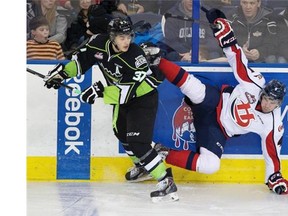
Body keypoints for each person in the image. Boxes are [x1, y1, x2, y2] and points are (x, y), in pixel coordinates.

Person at [139, 8, 288, 195]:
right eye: (266, 98)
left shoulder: (273, 123)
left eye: (272, 103)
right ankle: (157, 59)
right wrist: (226, 35)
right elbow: (237, 60)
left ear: (278, 105)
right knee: (196, 89)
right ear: (263, 93)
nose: (267, 104)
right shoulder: (255, 84)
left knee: (211, 165)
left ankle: (162, 154)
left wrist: (274, 178)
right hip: (216, 101)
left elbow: (272, 153)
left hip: (217, 130)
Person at [42, 17, 179, 202]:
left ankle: (165, 179)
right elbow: (82, 62)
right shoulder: (98, 44)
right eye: (122, 37)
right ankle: (142, 165)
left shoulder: (135, 56)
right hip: (120, 97)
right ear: (112, 37)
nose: (126, 41)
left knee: (138, 142)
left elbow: (133, 89)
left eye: (128, 36)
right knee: (121, 132)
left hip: (142, 98)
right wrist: (62, 74)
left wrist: (99, 91)